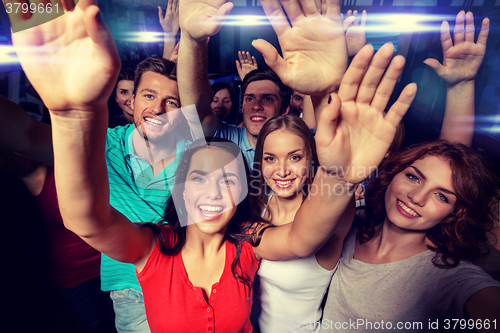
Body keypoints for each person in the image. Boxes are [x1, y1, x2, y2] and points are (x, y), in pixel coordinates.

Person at [5, 1, 418, 332]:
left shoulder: (245, 246)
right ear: (180, 190)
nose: (213, 192)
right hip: (125, 299)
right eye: (199, 179)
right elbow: (87, 218)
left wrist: (338, 174)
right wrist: (74, 112)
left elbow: (302, 238)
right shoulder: (154, 249)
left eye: (228, 181)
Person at [320, 140, 500, 333]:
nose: (417, 197)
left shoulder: (448, 276)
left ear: (454, 213)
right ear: (395, 172)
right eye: (414, 178)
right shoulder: (352, 221)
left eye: (441, 196)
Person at [250, 115, 354, 333]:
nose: (282, 170)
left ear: (311, 159)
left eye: (294, 157)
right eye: (270, 158)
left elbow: (341, 179)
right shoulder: (258, 204)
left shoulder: (329, 220)